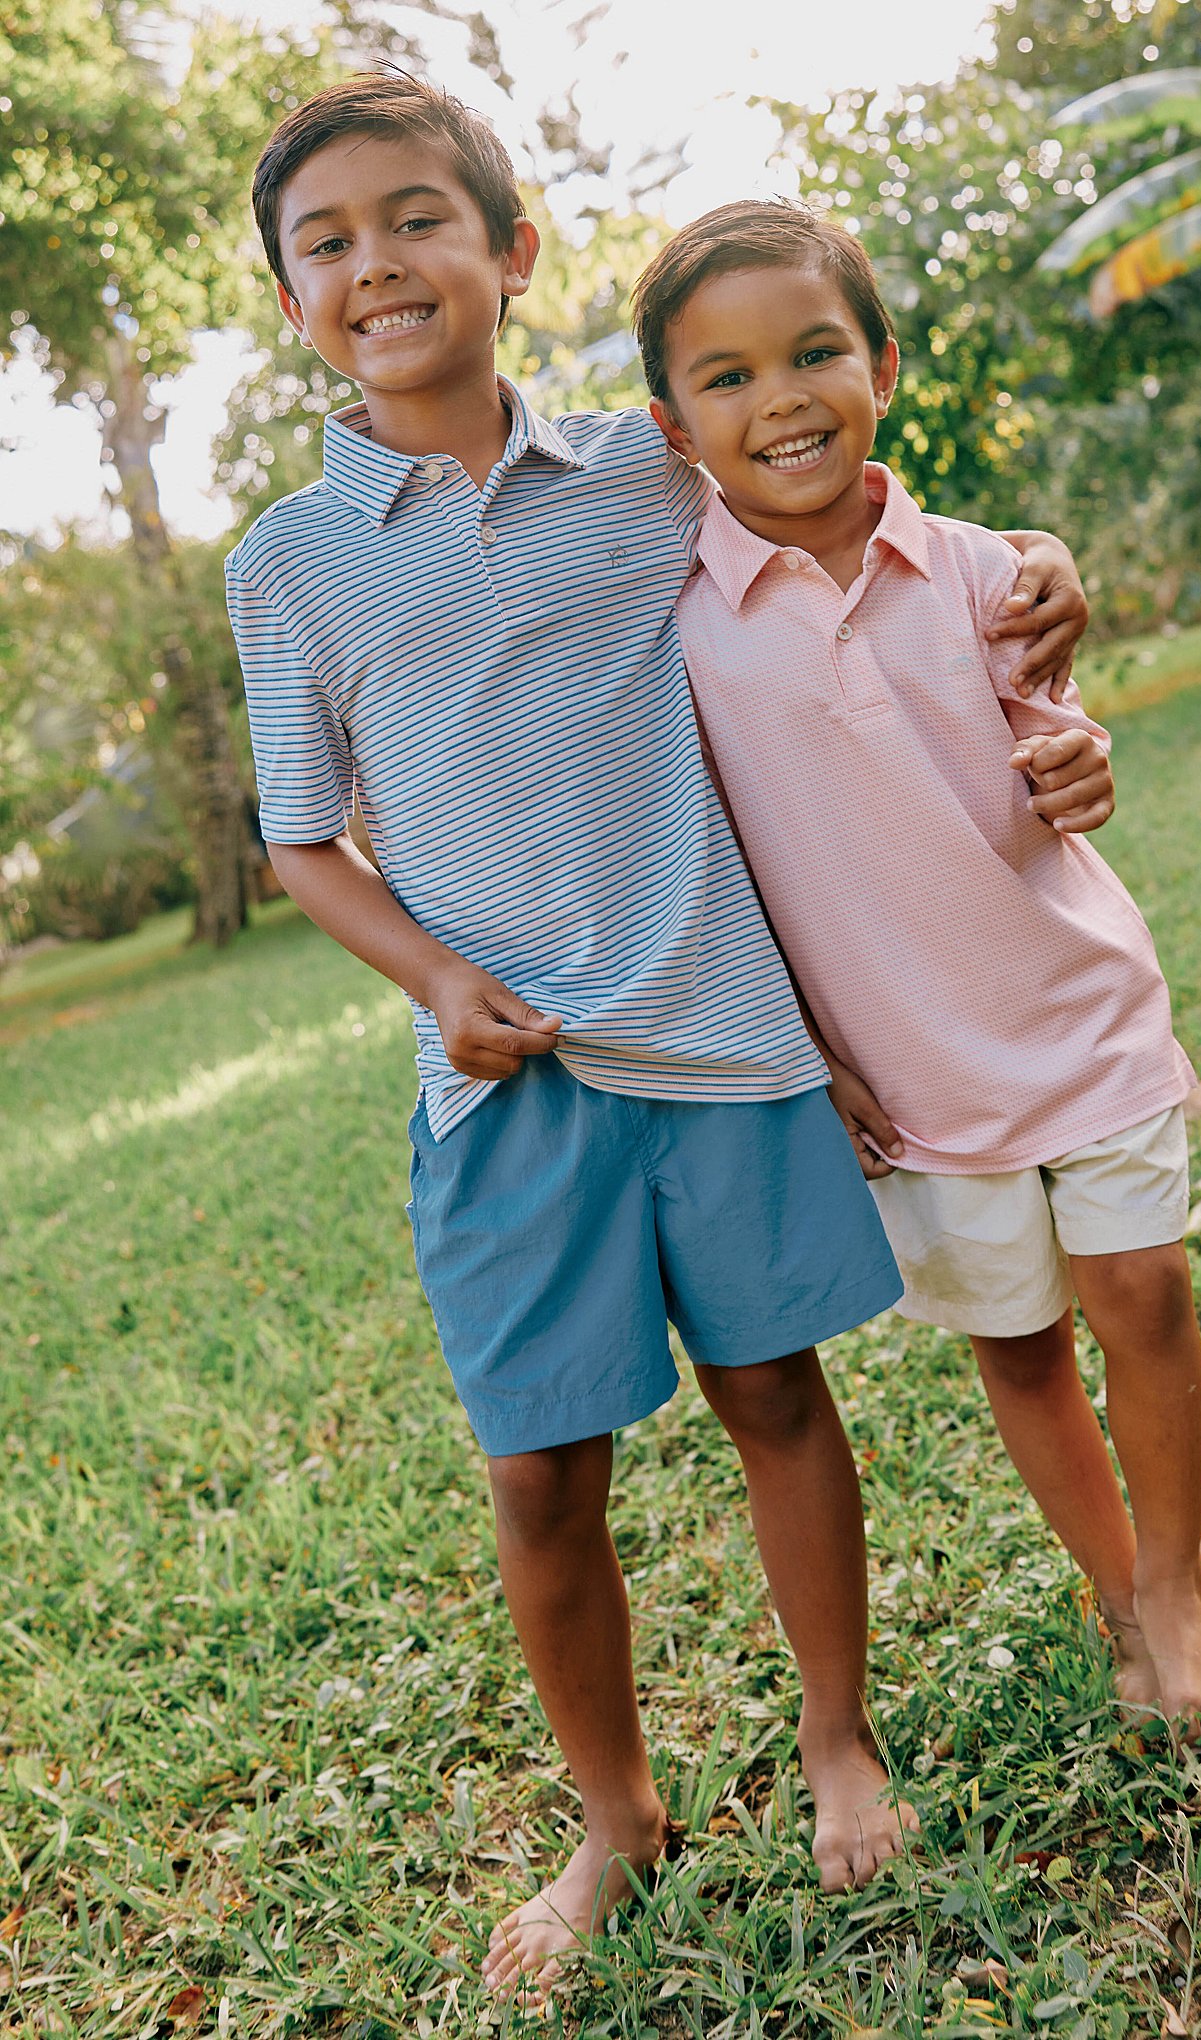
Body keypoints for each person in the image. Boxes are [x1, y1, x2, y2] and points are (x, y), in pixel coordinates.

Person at [224, 76, 1091, 2001]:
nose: (378, 262)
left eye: (416, 219)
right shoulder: (289, 559)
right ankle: (617, 1820)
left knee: (779, 1394)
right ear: (295, 304)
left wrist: (1040, 566)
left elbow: (842, 498)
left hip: (719, 1029)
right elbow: (303, 839)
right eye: (327, 242)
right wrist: (437, 982)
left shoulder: (647, 467)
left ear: (512, 253)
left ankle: (838, 1735)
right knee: (540, 1473)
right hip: (506, 1085)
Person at [632, 201, 1201, 1734]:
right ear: (670, 427)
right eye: (726, 377)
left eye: (816, 351)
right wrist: (799, 1052)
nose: (780, 397)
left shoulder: (985, 570)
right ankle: (1117, 1591)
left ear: (885, 365)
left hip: (1072, 1000)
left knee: (1147, 1294)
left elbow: (1057, 736)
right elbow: (709, 862)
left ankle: (1175, 1588)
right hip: (900, 1064)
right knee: (1022, 1347)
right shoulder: (681, 630)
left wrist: (1083, 760)